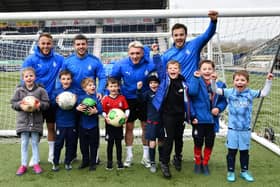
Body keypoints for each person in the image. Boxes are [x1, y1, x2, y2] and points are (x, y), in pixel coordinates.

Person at [211, 70, 273, 182]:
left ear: (247, 82)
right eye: (237, 80)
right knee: (232, 152)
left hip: (245, 130)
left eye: (243, 80)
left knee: (244, 152)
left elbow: (264, 93)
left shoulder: (250, 93)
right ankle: (230, 171)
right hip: (233, 130)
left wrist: (268, 81)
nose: (240, 82)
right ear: (233, 81)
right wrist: (213, 80)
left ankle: (244, 171)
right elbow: (215, 90)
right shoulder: (230, 92)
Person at [60, 34, 106, 163]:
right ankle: (73, 155)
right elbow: (62, 77)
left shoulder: (95, 61)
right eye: (78, 44)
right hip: (73, 100)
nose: (81, 46)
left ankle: (94, 157)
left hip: (90, 100)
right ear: (74, 46)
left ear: (87, 45)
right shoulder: (68, 61)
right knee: (74, 129)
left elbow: (102, 77)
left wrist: (100, 91)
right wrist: (60, 94)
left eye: (83, 44)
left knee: (92, 130)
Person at [110, 41, 157, 168]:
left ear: (143, 53)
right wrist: (108, 94)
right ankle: (129, 156)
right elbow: (113, 80)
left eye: (138, 53)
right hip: (128, 99)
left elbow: (161, 69)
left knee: (146, 127)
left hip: (144, 99)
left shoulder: (150, 64)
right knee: (129, 127)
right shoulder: (120, 64)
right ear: (128, 53)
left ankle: (146, 157)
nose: (135, 56)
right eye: (132, 53)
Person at [21, 33, 64, 165]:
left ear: (52, 44)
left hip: (51, 101)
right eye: (43, 43)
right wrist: (28, 99)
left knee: (52, 127)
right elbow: (24, 80)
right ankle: (35, 157)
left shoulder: (60, 59)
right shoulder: (30, 60)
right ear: (38, 44)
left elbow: (65, 76)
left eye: (48, 43)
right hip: (35, 103)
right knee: (36, 131)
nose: (46, 46)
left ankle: (51, 155)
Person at [152, 60, 191, 178]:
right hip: (168, 115)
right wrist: (156, 54)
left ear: (179, 70)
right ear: (167, 70)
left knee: (179, 139)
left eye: (175, 68)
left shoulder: (184, 83)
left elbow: (188, 101)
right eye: (170, 68)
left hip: (180, 115)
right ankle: (165, 163)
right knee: (169, 139)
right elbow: (159, 67)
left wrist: (191, 115)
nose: (173, 70)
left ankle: (178, 157)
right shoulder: (165, 80)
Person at [188, 60, 227, 175]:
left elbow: (224, 101)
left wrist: (218, 108)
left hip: (212, 120)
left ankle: (205, 163)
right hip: (199, 119)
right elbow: (192, 93)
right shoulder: (195, 81)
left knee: (209, 142)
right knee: (198, 142)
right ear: (200, 71)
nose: (207, 71)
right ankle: (198, 162)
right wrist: (195, 78)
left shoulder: (220, 84)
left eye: (209, 69)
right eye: (204, 69)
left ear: (213, 70)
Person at [156, 10, 218, 83]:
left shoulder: (194, 45)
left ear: (186, 35)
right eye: (176, 35)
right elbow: (161, 73)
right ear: (172, 36)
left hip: (194, 88)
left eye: (181, 34)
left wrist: (213, 22)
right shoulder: (166, 55)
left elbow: (207, 35)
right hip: (176, 91)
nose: (179, 37)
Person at [11, 67, 49, 175]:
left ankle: (36, 164)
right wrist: (20, 105)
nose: (29, 78)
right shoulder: (19, 90)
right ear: (23, 78)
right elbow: (13, 103)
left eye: (31, 76)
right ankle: (23, 165)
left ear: (35, 77)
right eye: (26, 76)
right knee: (24, 143)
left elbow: (47, 104)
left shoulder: (41, 90)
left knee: (35, 143)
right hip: (23, 122)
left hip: (36, 122)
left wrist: (39, 105)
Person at [136, 72, 164, 173]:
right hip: (151, 122)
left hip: (162, 122)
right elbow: (140, 100)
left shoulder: (162, 93)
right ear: (149, 84)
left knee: (161, 141)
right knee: (152, 143)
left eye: (155, 82)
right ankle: (152, 162)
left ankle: (161, 160)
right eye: (151, 83)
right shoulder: (147, 94)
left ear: (159, 84)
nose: (153, 84)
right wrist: (139, 90)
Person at [51, 70, 78, 171]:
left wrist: (75, 102)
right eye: (63, 79)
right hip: (61, 123)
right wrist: (56, 101)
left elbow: (78, 108)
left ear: (71, 80)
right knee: (58, 143)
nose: (66, 81)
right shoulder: (56, 92)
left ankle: (68, 162)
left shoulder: (75, 92)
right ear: (60, 80)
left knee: (70, 143)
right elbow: (52, 106)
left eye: (68, 79)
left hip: (71, 123)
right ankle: (55, 162)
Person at [101, 77, 129, 170]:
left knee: (118, 144)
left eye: (115, 86)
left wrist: (126, 116)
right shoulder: (105, 99)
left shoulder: (122, 98)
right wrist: (106, 117)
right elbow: (103, 111)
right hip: (109, 125)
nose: (113, 88)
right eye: (111, 86)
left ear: (119, 87)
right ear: (107, 88)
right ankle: (109, 162)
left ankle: (119, 161)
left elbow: (127, 109)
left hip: (119, 126)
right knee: (110, 144)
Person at [76, 78, 102, 171]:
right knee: (83, 145)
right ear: (84, 88)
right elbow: (77, 110)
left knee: (93, 145)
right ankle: (85, 161)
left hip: (93, 126)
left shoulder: (97, 98)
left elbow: (101, 110)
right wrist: (77, 109)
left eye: (93, 85)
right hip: (83, 126)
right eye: (90, 85)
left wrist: (96, 111)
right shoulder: (81, 98)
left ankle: (93, 163)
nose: (93, 86)